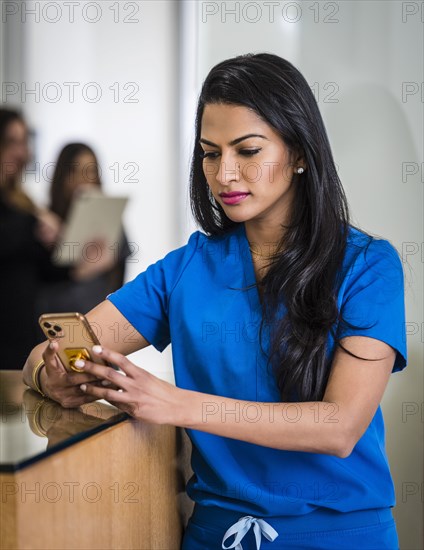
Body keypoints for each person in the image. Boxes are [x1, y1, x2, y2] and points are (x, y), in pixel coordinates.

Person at [23, 54, 406, 549]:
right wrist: (51, 373)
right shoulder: (186, 268)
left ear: (300, 153)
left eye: (247, 150)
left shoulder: (369, 266)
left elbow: (339, 426)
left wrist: (175, 404)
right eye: (209, 153)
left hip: (339, 534)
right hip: (215, 535)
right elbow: (52, 350)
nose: (224, 173)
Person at [0, 109, 115, 369]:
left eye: (24, 142)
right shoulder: (28, 215)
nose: (21, 152)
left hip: (25, 340)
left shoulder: (23, 204)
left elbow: (48, 271)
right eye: (10, 142)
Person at [36, 142, 129, 316]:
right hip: (54, 317)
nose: (84, 179)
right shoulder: (45, 222)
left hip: (98, 316)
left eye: (90, 171)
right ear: (63, 176)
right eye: (76, 172)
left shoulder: (112, 220)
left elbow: (119, 275)